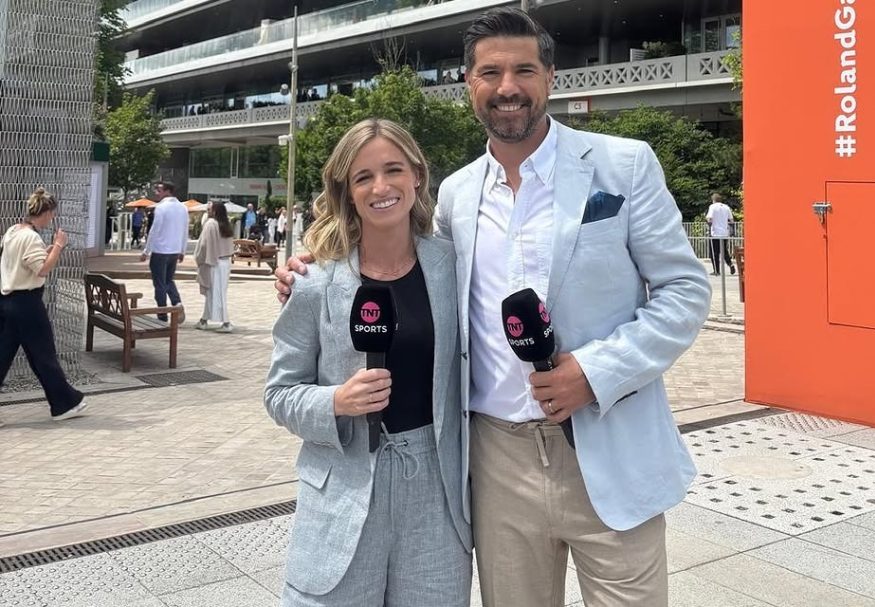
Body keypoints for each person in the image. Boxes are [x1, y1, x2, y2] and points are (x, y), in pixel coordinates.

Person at [277, 9, 710, 606]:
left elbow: (684, 292)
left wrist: (593, 372)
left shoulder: (623, 165)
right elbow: (392, 250)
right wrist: (312, 266)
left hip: (611, 445)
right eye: (492, 72)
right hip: (494, 460)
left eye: (524, 70)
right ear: (470, 84)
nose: (509, 87)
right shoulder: (455, 195)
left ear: (551, 77)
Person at [265, 118, 471, 606]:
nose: (381, 187)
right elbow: (279, 392)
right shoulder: (314, 281)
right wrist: (335, 400)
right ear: (347, 192)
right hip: (344, 484)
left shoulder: (455, 266)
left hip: (435, 490)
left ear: (417, 175)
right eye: (363, 177)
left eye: (393, 169)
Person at [0, 189, 89, 423]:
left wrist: (47, 252)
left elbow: (24, 262)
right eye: (51, 214)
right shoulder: (31, 237)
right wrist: (58, 246)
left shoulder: (13, 231)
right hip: (27, 304)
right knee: (43, 355)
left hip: (7, 301)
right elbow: (42, 269)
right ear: (47, 212)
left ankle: (64, 401)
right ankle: (64, 403)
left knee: (5, 356)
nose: (52, 218)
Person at [140, 181, 188, 322]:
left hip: (160, 251)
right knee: (168, 280)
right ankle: (176, 303)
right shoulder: (183, 208)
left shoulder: (161, 208)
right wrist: (182, 250)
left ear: (167, 191)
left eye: (159, 190)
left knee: (159, 283)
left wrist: (146, 251)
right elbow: (185, 231)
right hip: (174, 250)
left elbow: (154, 230)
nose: (157, 193)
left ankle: (162, 314)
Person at [193, 201, 235, 333]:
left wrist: (199, 259)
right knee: (215, 292)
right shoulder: (226, 225)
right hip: (225, 262)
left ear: (215, 211)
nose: (207, 211)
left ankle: (226, 323)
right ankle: (204, 320)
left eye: (209, 209)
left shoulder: (210, 224)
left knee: (216, 293)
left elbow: (203, 245)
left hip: (213, 262)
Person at [706, 192, 736, 275]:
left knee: (713, 252)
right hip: (724, 232)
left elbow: (709, 218)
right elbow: (731, 220)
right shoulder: (726, 207)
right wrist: (732, 230)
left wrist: (709, 226)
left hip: (715, 233)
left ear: (713, 200)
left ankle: (717, 270)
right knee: (724, 251)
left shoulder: (712, 207)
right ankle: (731, 264)